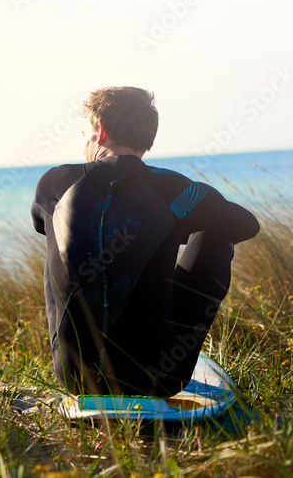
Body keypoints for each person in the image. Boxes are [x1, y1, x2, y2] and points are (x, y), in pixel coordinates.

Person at [30, 87, 260, 396]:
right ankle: (168, 346)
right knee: (217, 234)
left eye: (85, 129)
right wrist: (165, 228)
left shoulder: (53, 183)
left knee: (56, 229)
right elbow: (246, 224)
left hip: (74, 376)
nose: (83, 137)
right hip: (158, 376)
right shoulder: (174, 188)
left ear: (101, 130)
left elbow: (40, 223)